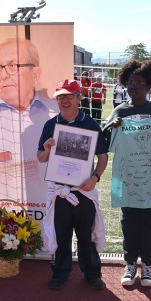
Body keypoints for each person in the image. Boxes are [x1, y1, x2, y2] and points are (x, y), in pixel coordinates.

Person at [103, 60, 151, 288]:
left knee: (150, 222)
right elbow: (104, 143)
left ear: (150, 86)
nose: (133, 87)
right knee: (128, 222)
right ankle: (129, 264)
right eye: (130, 83)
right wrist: (111, 128)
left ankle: (147, 265)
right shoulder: (120, 111)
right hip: (127, 178)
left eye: (139, 83)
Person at [0, 37, 57, 225]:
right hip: (0, 221)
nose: (4, 75)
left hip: (47, 216)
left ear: (36, 74)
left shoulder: (57, 114)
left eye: (13, 66)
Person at [37, 80, 109, 290]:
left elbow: (102, 157)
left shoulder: (91, 124)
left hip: (83, 190)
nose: (64, 100)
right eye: (60, 96)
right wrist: (47, 149)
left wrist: (95, 177)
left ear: (79, 98)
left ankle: (92, 273)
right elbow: (40, 157)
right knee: (61, 235)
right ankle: (60, 273)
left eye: (69, 96)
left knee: (86, 235)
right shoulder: (51, 124)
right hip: (60, 192)